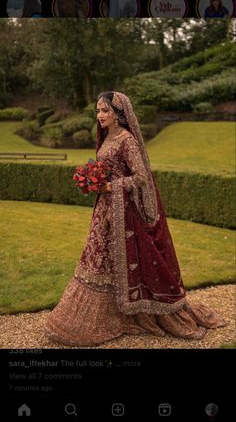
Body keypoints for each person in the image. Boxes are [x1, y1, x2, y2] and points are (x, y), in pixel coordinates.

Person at [45, 91, 225, 346]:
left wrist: (110, 187)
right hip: (105, 209)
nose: (100, 116)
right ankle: (104, 314)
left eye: (105, 111)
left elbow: (141, 176)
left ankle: (129, 314)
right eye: (97, 111)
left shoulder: (126, 140)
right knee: (98, 259)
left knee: (111, 258)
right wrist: (92, 180)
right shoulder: (107, 137)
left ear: (119, 114)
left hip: (123, 211)